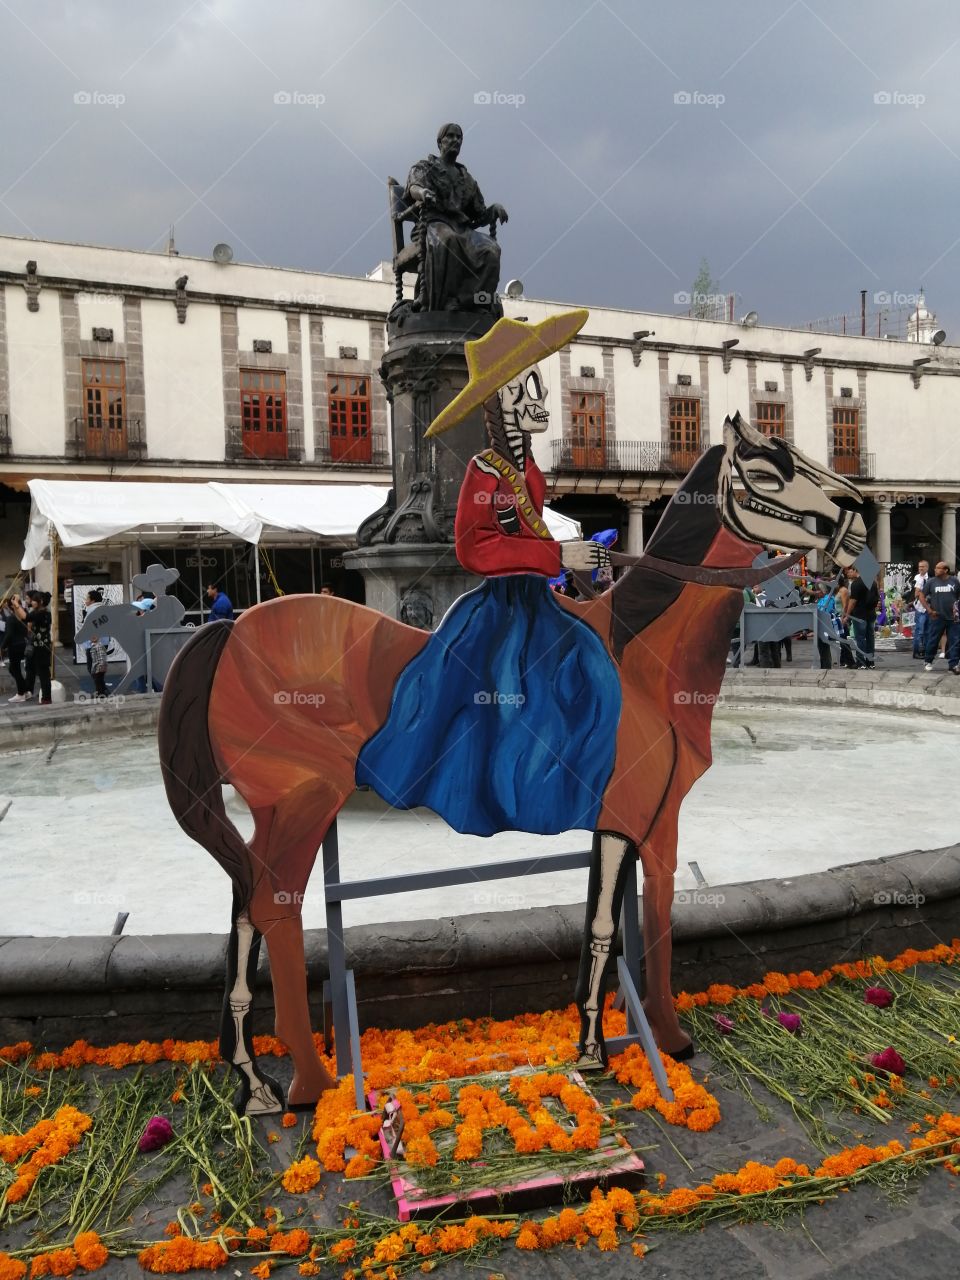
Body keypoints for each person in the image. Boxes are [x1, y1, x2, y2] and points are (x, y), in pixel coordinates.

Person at [404, 123, 508, 313]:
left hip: (462, 228)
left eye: (459, 137)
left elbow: (479, 213)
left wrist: (494, 209)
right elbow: (413, 187)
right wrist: (422, 192)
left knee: (491, 250)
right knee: (447, 240)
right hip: (433, 223)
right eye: (450, 136)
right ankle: (445, 300)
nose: (455, 140)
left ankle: (473, 301)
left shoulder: (467, 178)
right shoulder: (425, 167)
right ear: (439, 142)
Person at [918, 561, 960, 673]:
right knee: (933, 640)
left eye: (938, 568)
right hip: (937, 617)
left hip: (953, 618)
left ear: (945, 570)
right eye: (935, 568)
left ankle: (954, 665)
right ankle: (928, 661)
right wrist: (929, 610)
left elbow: (957, 596)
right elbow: (921, 595)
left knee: (955, 641)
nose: (935, 570)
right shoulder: (931, 582)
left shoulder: (954, 581)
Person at [14, 589, 53, 704]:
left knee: (43, 675)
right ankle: (39, 695)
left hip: (41, 649)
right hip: (39, 647)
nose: (32, 602)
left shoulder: (41, 613)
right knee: (38, 672)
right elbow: (23, 618)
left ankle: (46, 698)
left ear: (40, 601)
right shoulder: (41, 612)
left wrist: (16, 604)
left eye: (34, 600)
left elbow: (26, 617)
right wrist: (16, 607)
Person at [844, 566, 878, 669]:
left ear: (856, 571)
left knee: (860, 639)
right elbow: (877, 598)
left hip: (859, 615)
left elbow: (853, 601)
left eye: (851, 571)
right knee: (870, 638)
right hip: (871, 614)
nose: (849, 574)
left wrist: (847, 615)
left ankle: (861, 662)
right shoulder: (872, 582)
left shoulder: (856, 584)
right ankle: (871, 662)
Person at [1, 596, 30, 702]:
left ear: (10, 606)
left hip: (14, 646)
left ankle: (21, 693)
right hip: (21, 644)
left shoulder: (11, 618)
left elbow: (8, 635)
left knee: (15, 670)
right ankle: (25, 690)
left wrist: (2, 647)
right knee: (13, 669)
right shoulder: (23, 615)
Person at [912, 560, 930, 659]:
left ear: (927, 568)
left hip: (928, 608)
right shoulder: (917, 578)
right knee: (919, 631)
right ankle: (916, 652)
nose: (921, 568)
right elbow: (916, 594)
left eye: (923, 567)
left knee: (927, 631)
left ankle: (926, 651)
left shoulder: (930, 578)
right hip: (919, 608)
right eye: (919, 567)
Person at [88, 633, 108, 698]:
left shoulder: (98, 646)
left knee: (98, 681)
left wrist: (101, 666)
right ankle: (101, 692)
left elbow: (102, 656)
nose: (92, 638)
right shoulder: (93, 646)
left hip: (99, 667)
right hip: (97, 666)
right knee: (99, 680)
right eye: (91, 637)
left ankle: (100, 694)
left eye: (95, 637)